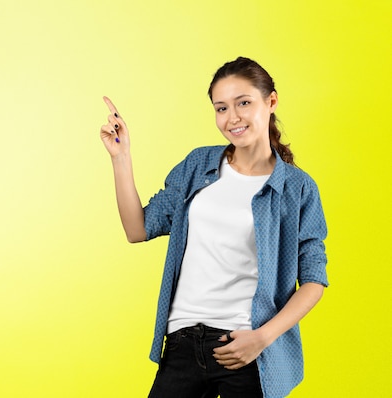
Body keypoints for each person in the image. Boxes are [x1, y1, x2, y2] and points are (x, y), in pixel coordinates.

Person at [99, 57, 328, 398]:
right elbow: (138, 228)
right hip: (183, 343)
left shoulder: (296, 188)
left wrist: (261, 338)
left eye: (244, 103)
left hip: (247, 351)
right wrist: (121, 158)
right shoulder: (198, 165)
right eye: (221, 108)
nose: (232, 117)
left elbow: (313, 280)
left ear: (271, 101)